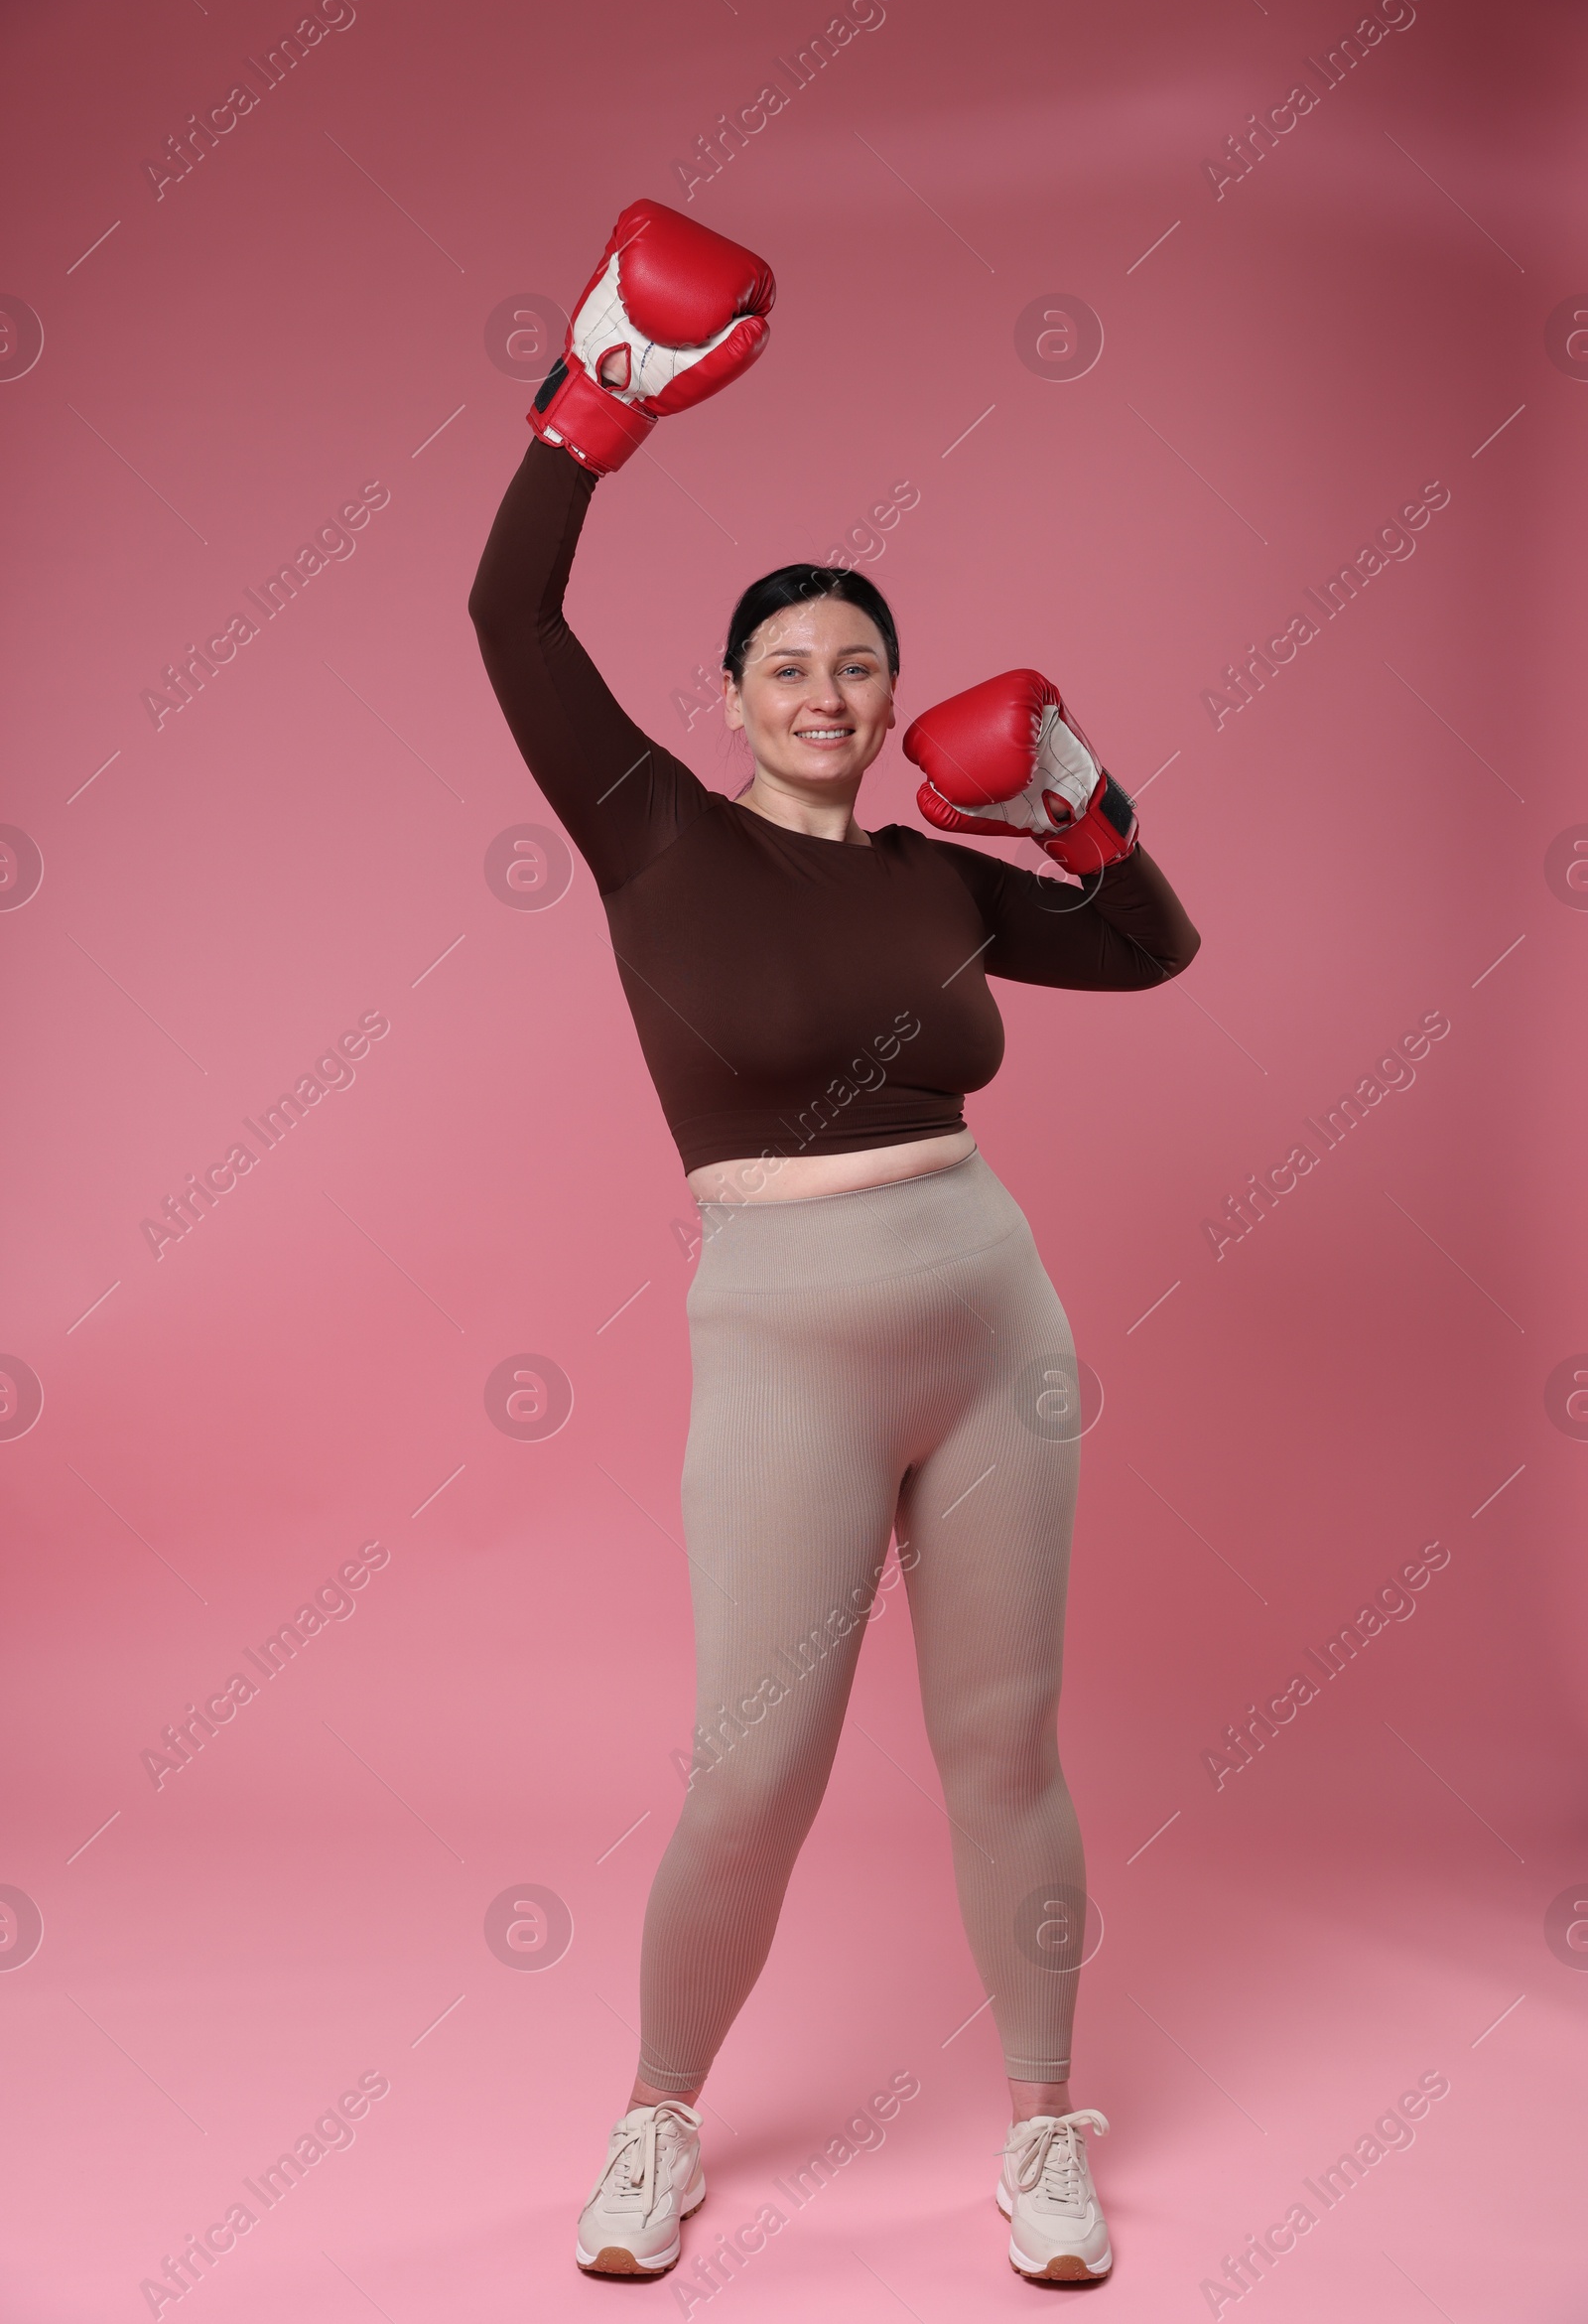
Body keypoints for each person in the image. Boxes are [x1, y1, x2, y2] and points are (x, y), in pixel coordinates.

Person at [468, 198, 1201, 2289]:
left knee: (1002, 1740)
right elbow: (506, 622)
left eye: (855, 666)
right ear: (725, 696)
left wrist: (1068, 795)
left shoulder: (930, 881)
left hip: (992, 1313)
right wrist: (595, 401)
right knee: (754, 1764)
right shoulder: (647, 830)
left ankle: (1044, 2130)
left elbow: (1148, 951)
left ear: (889, 706)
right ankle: (654, 2125)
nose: (825, 688)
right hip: (783, 1330)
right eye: (786, 663)